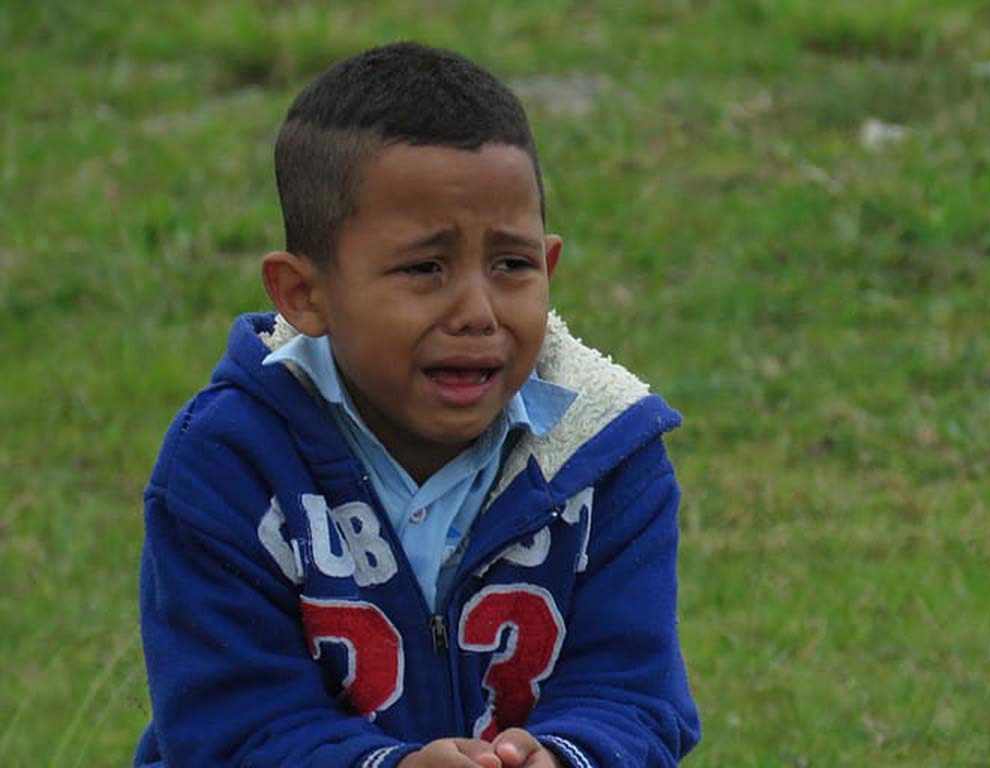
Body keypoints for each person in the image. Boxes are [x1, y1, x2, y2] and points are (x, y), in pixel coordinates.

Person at [134, 41, 700, 768]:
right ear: (304, 295)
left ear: (549, 265)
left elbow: (634, 694)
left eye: (512, 265)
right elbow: (230, 725)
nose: (478, 311)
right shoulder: (229, 463)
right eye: (425, 268)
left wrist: (565, 755)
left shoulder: (606, 455)